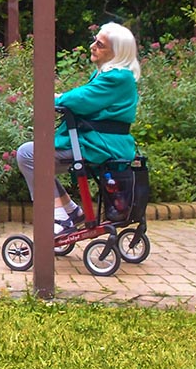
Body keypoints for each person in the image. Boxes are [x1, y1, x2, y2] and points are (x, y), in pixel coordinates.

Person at [16, 22, 141, 235]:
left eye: (100, 44)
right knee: (34, 156)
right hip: (99, 142)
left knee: (28, 155)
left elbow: (82, 99)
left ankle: (59, 216)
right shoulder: (115, 74)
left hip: (100, 145)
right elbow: (87, 97)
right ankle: (71, 211)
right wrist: (64, 99)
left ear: (116, 52)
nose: (93, 46)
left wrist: (59, 98)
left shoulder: (116, 77)